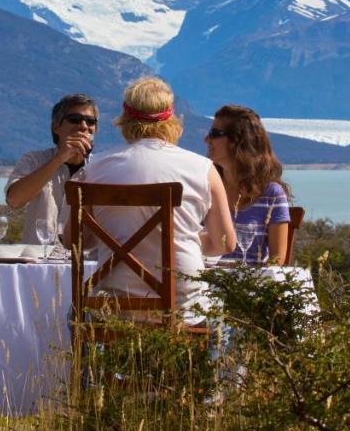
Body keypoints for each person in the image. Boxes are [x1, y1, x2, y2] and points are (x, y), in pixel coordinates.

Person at [67, 76, 235, 321]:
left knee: (71, 315)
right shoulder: (203, 168)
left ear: (125, 120)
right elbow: (224, 243)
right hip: (182, 303)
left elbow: (73, 241)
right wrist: (187, 237)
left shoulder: (94, 169)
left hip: (114, 304)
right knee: (222, 311)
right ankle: (207, 360)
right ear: (172, 119)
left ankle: (92, 360)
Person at [5, 93, 98, 243]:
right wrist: (59, 159)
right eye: (75, 119)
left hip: (84, 262)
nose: (83, 126)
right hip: (38, 260)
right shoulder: (33, 160)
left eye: (90, 121)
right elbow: (14, 200)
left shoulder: (100, 169)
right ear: (56, 126)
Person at [206, 105, 292, 265]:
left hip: (250, 286)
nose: (206, 139)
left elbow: (276, 260)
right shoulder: (204, 187)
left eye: (214, 134)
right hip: (204, 284)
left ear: (237, 141)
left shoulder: (271, 194)